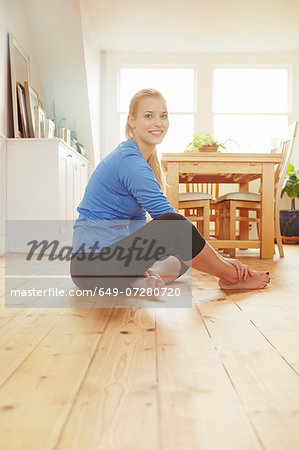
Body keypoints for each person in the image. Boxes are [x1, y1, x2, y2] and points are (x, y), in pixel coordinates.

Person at [71, 88, 270, 292]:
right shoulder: (129, 161)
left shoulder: (141, 160)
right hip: (92, 267)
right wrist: (224, 261)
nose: (158, 122)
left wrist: (141, 265)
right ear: (132, 120)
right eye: (149, 115)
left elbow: (137, 225)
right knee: (174, 225)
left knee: (183, 257)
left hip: (110, 263)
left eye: (163, 116)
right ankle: (233, 277)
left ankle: (142, 280)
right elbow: (170, 221)